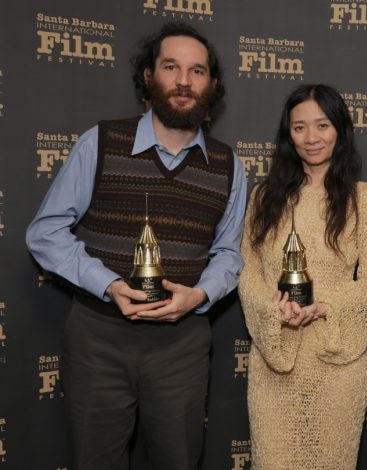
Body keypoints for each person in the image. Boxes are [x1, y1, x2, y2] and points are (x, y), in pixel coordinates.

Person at [25, 22, 247, 469]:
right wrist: (107, 284)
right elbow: (44, 232)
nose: (184, 81)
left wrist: (200, 295)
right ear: (149, 76)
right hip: (98, 338)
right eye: (171, 67)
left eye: (197, 70)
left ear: (212, 84)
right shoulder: (101, 142)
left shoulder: (229, 166)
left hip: (181, 345)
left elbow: (228, 253)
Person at [239, 84, 367, 470]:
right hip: (274, 359)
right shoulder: (263, 198)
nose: (311, 138)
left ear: (339, 129)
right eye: (299, 127)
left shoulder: (364, 198)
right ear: (288, 134)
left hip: (338, 360)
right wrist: (273, 312)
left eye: (322, 125)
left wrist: (326, 307)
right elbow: (248, 272)